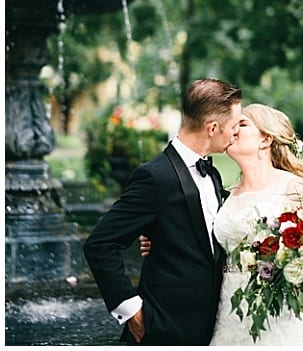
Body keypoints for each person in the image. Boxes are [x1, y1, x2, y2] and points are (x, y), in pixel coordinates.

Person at [141, 103, 303, 346]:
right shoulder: (223, 193)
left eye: (243, 124)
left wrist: (297, 268)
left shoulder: (293, 187)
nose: (233, 129)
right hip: (229, 308)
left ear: (266, 139)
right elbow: (197, 235)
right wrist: (159, 240)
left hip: (279, 310)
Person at [84, 78, 243, 345]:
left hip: (210, 327)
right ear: (213, 128)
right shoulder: (154, 177)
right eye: (235, 125)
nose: (236, 133)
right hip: (164, 327)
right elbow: (100, 244)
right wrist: (130, 309)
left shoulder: (212, 174)